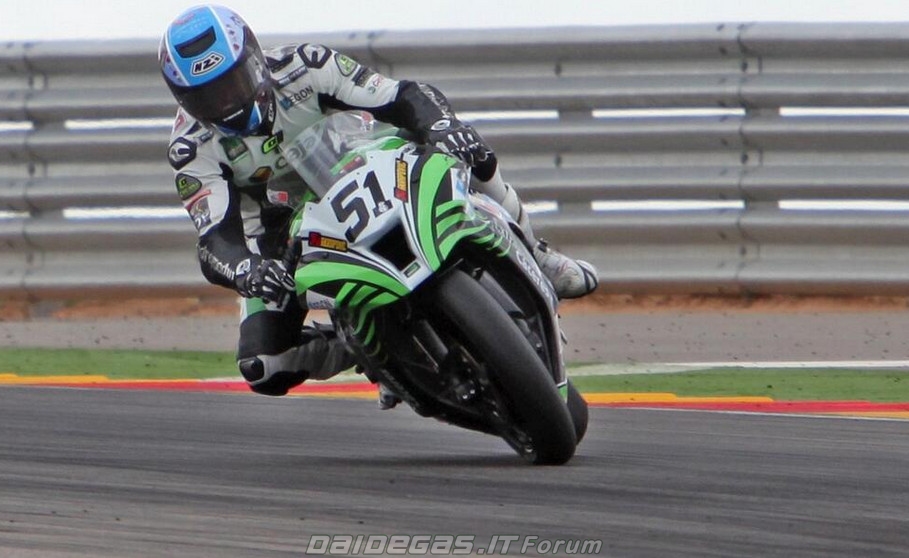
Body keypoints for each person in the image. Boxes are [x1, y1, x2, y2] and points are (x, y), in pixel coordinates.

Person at [159, 4, 598, 401]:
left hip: (366, 167)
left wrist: (443, 125)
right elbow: (215, 239)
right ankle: (365, 349)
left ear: (254, 61)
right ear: (184, 100)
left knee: (471, 151)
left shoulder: (304, 66)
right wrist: (246, 269)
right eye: (207, 97)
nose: (228, 104)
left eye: (232, 84)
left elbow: (402, 96)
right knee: (262, 366)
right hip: (284, 233)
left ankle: (536, 254)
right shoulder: (191, 148)